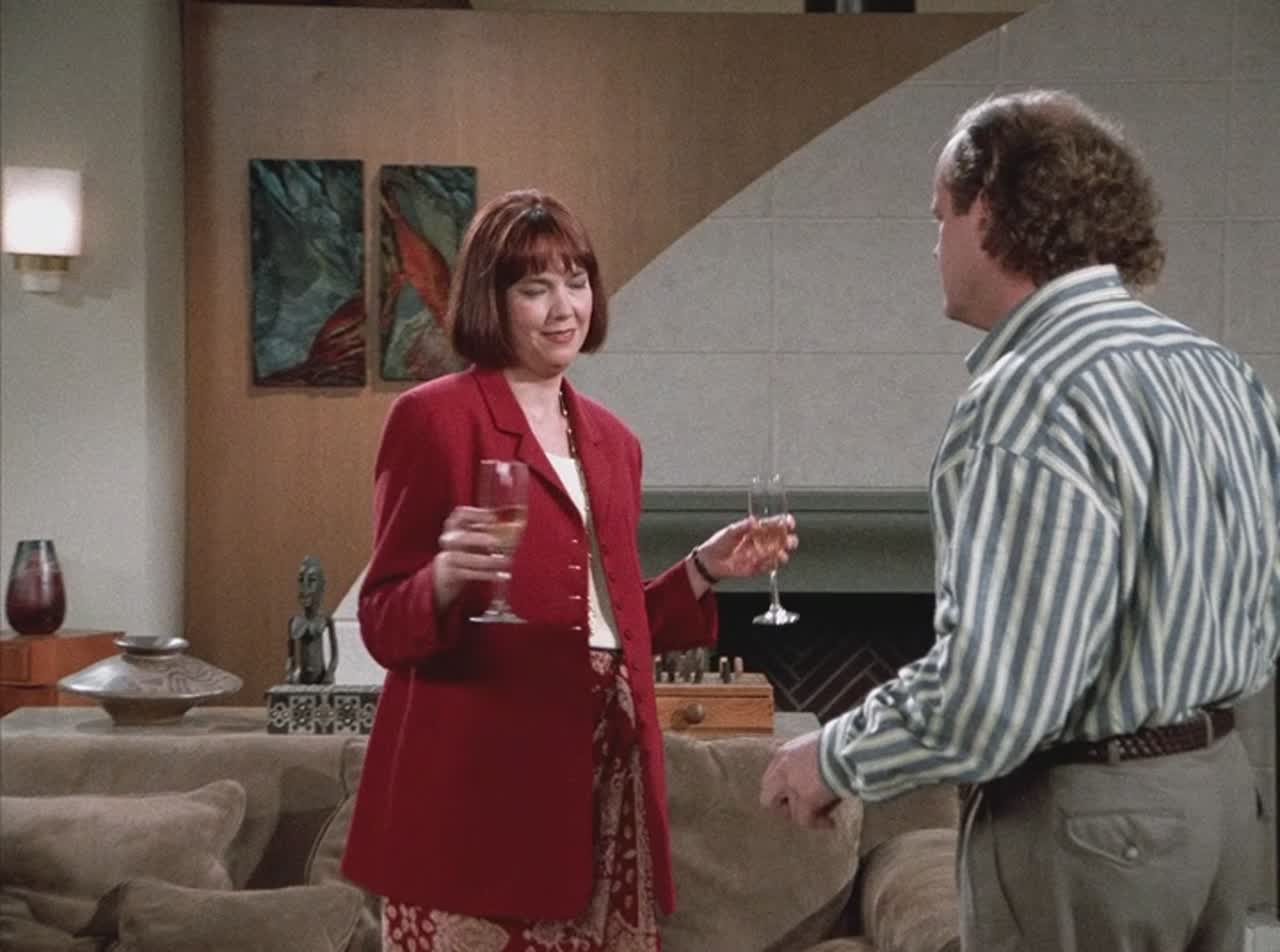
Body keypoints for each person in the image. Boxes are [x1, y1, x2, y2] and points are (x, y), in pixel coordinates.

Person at [761, 89, 1280, 951]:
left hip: (1088, 826)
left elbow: (995, 695)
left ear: (990, 210)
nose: (934, 245)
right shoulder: (1219, 371)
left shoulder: (1032, 396)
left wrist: (834, 756)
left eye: (940, 217)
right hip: (1222, 805)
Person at [341, 188, 796, 952]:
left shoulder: (615, 443)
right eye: (535, 287)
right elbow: (384, 621)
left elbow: (607, 625)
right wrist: (443, 579)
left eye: (576, 281)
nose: (564, 308)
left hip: (603, 771)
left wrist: (702, 570)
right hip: (478, 784)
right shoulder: (433, 419)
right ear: (492, 299)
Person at [284, 554, 338, 685]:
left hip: (321, 678)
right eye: (301, 580)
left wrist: (330, 673)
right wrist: (290, 672)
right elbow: (291, 656)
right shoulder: (294, 621)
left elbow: (334, 655)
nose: (305, 586)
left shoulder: (326, 620)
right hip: (301, 680)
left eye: (312, 580)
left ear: (321, 584)